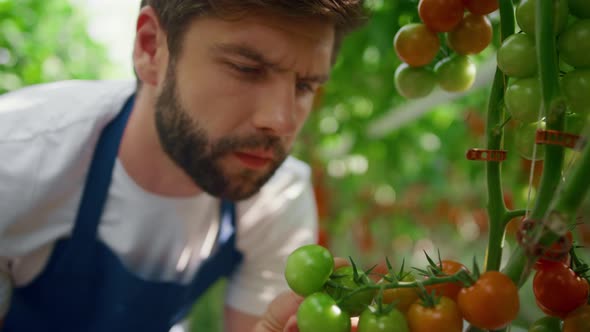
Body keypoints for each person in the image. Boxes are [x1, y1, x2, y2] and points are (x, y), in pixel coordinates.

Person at [0, 1, 366, 331]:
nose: (282, 121)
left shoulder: (277, 199)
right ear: (150, 48)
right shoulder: (16, 161)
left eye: (305, 86)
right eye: (246, 69)